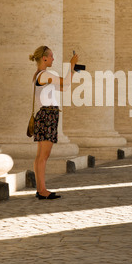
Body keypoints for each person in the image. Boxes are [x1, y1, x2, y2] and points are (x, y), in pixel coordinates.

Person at [29, 45, 78, 199]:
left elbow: (64, 87)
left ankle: (40, 189)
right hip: (47, 116)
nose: (53, 59)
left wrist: (74, 70)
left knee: (41, 155)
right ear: (44, 58)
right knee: (44, 155)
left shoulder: (41, 75)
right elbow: (65, 81)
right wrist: (71, 65)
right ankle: (42, 190)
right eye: (51, 56)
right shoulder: (44, 75)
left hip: (46, 115)